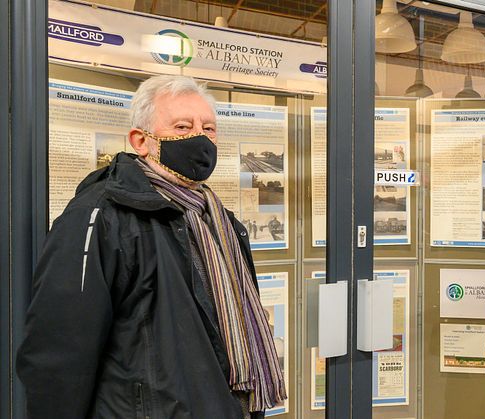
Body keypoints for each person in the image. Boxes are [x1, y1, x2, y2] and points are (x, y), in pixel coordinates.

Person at [17, 75, 286, 419]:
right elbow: (60, 350)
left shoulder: (218, 220)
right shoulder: (101, 216)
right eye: (182, 126)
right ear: (141, 140)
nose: (199, 138)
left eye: (208, 127)